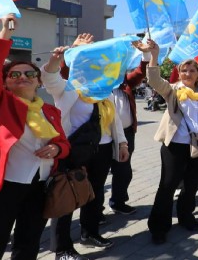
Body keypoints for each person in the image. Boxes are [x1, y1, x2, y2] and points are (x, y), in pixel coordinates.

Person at [0, 15, 70, 260]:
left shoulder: (49, 110)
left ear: (38, 81)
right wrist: (5, 33)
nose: (22, 77)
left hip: (39, 186)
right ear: (5, 83)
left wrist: (56, 150)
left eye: (29, 74)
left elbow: (64, 143)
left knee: (28, 242)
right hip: (2, 186)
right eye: (14, 75)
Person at [42, 36, 130, 259]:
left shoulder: (105, 90)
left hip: (102, 150)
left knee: (94, 194)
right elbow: (50, 78)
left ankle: (89, 233)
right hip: (74, 151)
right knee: (66, 196)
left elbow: (114, 121)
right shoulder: (69, 87)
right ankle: (62, 247)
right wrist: (67, 52)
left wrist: (122, 142)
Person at [145, 40, 198, 245]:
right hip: (176, 145)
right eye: (183, 70)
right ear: (179, 74)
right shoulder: (172, 90)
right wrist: (154, 56)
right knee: (168, 185)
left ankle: (186, 216)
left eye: (191, 70)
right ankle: (159, 227)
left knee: (191, 184)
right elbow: (153, 79)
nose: (187, 74)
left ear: (197, 73)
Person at [108, 44, 150, 216]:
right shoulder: (96, 86)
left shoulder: (126, 83)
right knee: (98, 174)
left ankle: (118, 202)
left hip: (126, 134)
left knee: (123, 171)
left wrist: (146, 53)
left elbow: (141, 72)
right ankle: (94, 211)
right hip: (103, 136)